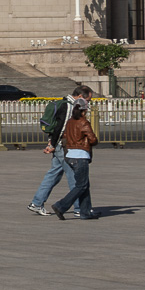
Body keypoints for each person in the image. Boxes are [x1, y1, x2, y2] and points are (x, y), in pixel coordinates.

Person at [27, 85, 94, 215]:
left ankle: (37, 202)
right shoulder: (69, 106)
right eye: (88, 100)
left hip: (58, 145)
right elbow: (61, 127)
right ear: (80, 97)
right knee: (75, 177)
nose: (88, 103)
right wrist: (52, 144)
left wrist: (51, 142)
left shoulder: (63, 103)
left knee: (53, 175)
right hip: (64, 147)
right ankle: (79, 208)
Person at [51, 99, 99, 220]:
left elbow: (65, 136)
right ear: (85, 110)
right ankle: (61, 206)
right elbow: (93, 140)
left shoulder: (70, 122)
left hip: (70, 155)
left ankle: (85, 212)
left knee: (84, 185)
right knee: (81, 186)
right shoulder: (83, 122)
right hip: (81, 155)